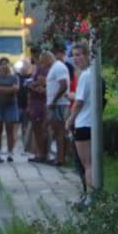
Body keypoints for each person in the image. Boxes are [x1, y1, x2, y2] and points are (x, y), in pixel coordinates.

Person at [66, 42, 96, 201]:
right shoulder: (93, 73)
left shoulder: (85, 75)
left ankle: (90, 198)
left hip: (83, 123)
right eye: (73, 55)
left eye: (79, 55)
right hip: (92, 123)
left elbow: (79, 102)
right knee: (91, 163)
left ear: (87, 55)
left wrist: (70, 119)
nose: (75, 58)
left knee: (87, 164)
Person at [0, 57, 21, 161]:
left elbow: (16, 89)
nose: (4, 66)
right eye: (2, 64)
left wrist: (0, 89)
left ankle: (10, 152)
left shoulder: (14, 77)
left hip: (10, 104)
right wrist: (9, 89)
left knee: (10, 128)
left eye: (6, 64)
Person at [45, 49, 71, 166]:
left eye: (43, 62)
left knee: (60, 131)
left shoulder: (58, 67)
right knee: (57, 132)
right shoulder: (54, 67)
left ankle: (61, 158)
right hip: (56, 104)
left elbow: (63, 85)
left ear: (47, 58)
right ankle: (59, 156)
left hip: (59, 104)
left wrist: (54, 100)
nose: (43, 65)